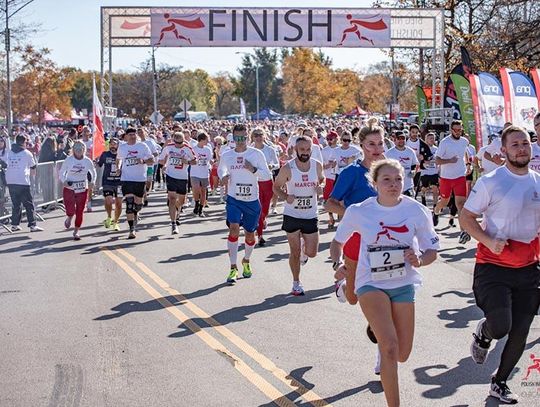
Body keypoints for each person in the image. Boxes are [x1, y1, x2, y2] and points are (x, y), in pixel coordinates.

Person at [330, 159, 439, 407]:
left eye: (398, 179)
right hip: (370, 282)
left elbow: (432, 249)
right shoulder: (360, 211)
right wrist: (338, 265)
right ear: (375, 183)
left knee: (402, 353)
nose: (393, 185)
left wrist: (420, 259)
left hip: (403, 283)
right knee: (389, 348)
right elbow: (338, 242)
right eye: (386, 180)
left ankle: (378, 325)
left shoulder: (416, 210)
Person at [460, 125, 540, 405]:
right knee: (501, 325)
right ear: (503, 150)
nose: (522, 148)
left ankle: (500, 382)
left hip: (529, 268)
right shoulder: (491, 181)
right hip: (493, 266)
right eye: (515, 144)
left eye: (526, 143)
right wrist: (487, 239)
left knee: (521, 330)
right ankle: (485, 332)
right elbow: (466, 217)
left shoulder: (538, 182)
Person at [218, 124, 271, 284]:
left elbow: (266, 175)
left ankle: (246, 261)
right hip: (234, 198)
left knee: (250, 234)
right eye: (237, 138)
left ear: (247, 137)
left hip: (252, 200)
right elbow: (221, 170)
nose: (240, 141)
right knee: (234, 229)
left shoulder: (256, 154)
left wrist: (253, 169)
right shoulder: (227, 155)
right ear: (233, 138)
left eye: (243, 138)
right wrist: (224, 176)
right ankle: (233, 267)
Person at [273, 136, 325, 295]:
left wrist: (321, 187)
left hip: (310, 214)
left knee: (312, 253)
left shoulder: (317, 166)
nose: (305, 153)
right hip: (292, 214)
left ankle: (304, 250)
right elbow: (276, 187)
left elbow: (322, 180)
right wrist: (285, 196)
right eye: (302, 150)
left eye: (308, 149)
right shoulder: (288, 168)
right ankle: (296, 283)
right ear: (296, 150)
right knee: (294, 251)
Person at [432, 120, 471, 243]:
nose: (458, 132)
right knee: (444, 202)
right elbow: (437, 160)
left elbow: (465, 153)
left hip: (460, 176)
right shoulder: (445, 142)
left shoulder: (465, 141)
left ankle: (463, 232)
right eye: (456, 130)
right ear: (451, 130)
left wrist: (468, 164)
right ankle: (436, 211)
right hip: (446, 178)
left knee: (461, 205)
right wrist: (450, 160)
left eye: (460, 130)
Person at [116, 128, 154, 239]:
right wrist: (118, 168)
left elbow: (152, 160)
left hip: (140, 179)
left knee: (138, 205)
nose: (132, 136)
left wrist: (143, 161)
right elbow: (118, 159)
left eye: (134, 134)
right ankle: (132, 229)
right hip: (126, 179)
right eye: (130, 134)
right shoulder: (122, 147)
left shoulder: (142, 146)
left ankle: (136, 212)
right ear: (126, 136)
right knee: (129, 204)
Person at [159, 131, 196, 234]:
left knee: (181, 201)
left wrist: (187, 162)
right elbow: (160, 159)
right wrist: (164, 164)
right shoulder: (168, 147)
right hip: (171, 175)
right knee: (172, 199)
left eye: (181, 143)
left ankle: (177, 211)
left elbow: (195, 161)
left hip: (183, 177)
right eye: (177, 143)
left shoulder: (187, 148)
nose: (179, 145)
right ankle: (173, 223)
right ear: (173, 140)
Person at [58, 141, 96, 240]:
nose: (79, 151)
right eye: (77, 149)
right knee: (70, 209)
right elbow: (62, 172)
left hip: (82, 188)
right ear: (73, 150)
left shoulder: (87, 161)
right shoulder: (69, 160)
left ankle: (76, 231)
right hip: (69, 188)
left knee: (80, 210)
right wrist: (64, 181)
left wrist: (92, 182)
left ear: (84, 150)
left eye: (81, 149)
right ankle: (69, 217)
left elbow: (93, 172)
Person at [5, 135, 43, 232]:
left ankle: (14, 224)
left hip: (10, 180)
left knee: (16, 203)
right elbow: (33, 167)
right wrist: (32, 179)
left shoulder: (9, 152)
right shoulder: (27, 153)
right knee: (29, 204)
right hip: (22, 181)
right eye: (26, 142)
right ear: (23, 142)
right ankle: (32, 225)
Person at [251, 128, 279, 247]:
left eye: (260, 135)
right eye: (255, 135)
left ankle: (262, 220)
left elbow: (277, 163)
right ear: (252, 137)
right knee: (258, 209)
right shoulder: (249, 150)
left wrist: (271, 165)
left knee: (265, 209)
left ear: (264, 136)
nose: (258, 137)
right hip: (254, 181)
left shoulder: (270, 149)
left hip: (267, 181)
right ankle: (260, 235)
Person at [97, 138, 122, 231]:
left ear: (118, 145)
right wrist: (95, 161)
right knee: (109, 201)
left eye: (114, 144)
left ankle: (116, 222)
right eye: (111, 144)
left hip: (119, 183)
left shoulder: (122, 155)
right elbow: (99, 164)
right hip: (108, 182)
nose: (112, 146)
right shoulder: (105, 154)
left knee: (119, 204)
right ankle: (109, 217)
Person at [384, 131, 419, 196]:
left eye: (403, 138)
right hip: (394, 187)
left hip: (408, 186)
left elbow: (415, 165)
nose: (401, 140)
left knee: (409, 205)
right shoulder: (389, 153)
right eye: (399, 138)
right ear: (395, 140)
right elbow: (385, 168)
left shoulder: (410, 152)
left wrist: (413, 171)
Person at [190, 132, 213, 217]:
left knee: (203, 192)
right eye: (207, 140)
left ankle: (200, 209)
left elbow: (210, 160)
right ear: (202, 140)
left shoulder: (208, 149)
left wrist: (212, 162)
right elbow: (190, 159)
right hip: (195, 172)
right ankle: (196, 203)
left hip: (204, 173)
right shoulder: (193, 149)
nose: (208, 141)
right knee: (196, 189)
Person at [321, 131, 339, 228]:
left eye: (331, 139)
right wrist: (328, 165)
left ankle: (340, 216)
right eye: (327, 139)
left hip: (339, 177)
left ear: (336, 139)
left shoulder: (341, 149)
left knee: (340, 199)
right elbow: (321, 165)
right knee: (328, 200)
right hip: (328, 177)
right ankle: (331, 218)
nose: (329, 141)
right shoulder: (324, 151)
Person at [419, 132, 439, 207]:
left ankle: (435, 205)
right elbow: (419, 158)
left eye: (433, 138)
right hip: (425, 171)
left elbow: (438, 159)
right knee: (425, 188)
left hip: (434, 171)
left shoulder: (437, 149)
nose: (431, 140)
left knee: (435, 188)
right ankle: (423, 196)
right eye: (430, 138)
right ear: (426, 139)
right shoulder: (423, 148)